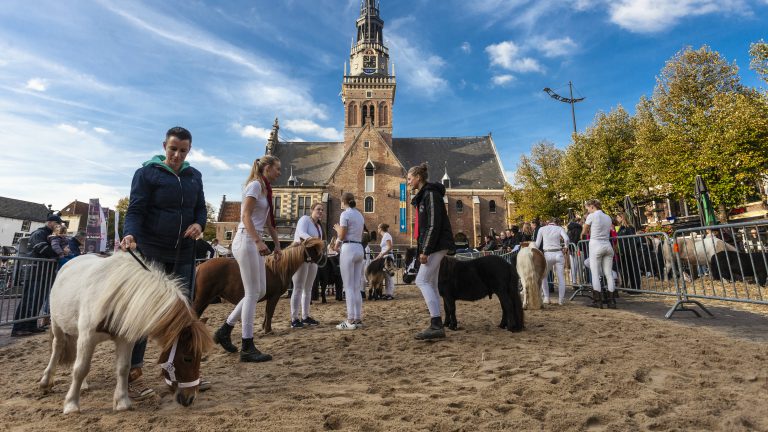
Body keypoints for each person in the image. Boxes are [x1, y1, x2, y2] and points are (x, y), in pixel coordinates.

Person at [121, 126, 207, 399]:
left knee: (182, 318)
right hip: (152, 253)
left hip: (183, 254)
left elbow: (201, 209)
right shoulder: (146, 173)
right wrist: (129, 233)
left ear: (189, 150)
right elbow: (135, 208)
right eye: (173, 149)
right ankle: (132, 374)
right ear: (164, 146)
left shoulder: (194, 176)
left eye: (183, 150)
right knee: (145, 316)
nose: (177, 155)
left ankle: (177, 372)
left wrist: (198, 224)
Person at [212, 156, 282, 361]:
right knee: (252, 293)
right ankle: (247, 346)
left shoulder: (266, 190)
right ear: (267, 168)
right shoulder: (254, 186)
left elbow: (269, 223)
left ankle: (225, 329)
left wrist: (277, 245)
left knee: (259, 291)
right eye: (277, 169)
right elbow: (245, 217)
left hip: (253, 239)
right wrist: (258, 241)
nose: (279, 172)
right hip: (246, 239)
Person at [408, 163, 455, 340]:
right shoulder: (424, 196)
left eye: (410, 178)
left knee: (421, 280)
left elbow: (433, 224)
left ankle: (436, 324)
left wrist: (425, 250)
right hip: (434, 244)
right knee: (432, 283)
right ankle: (437, 322)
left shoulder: (431, 194)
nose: (408, 181)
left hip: (436, 244)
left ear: (418, 177)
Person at [11, 214, 62, 337]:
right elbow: (41, 248)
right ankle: (19, 327)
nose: (59, 226)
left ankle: (32, 325)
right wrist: (58, 253)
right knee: (30, 299)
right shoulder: (38, 234)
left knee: (37, 300)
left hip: (45, 272)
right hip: (36, 270)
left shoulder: (51, 235)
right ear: (50, 223)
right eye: (57, 223)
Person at [332, 192, 365, 330]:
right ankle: (357, 318)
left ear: (343, 202)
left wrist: (337, 238)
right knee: (356, 286)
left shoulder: (345, 214)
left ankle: (350, 319)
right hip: (359, 247)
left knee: (349, 286)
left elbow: (343, 234)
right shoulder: (359, 214)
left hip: (349, 248)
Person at [290, 202, 324, 328]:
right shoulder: (304, 219)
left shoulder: (319, 227)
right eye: (318, 209)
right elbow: (301, 233)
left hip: (313, 258)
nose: (320, 211)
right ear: (312, 210)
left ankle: (305, 316)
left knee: (308, 288)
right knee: (298, 287)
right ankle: (294, 318)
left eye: (322, 210)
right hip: (301, 255)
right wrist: (317, 241)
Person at [582, 199, 616, 307]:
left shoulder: (592, 216)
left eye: (588, 208)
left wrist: (585, 233)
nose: (588, 210)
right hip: (607, 245)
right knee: (609, 274)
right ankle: (611, 301)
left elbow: (584, 231)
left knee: (595, 274)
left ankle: (598, 301)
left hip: (596, 245)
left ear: (592, 206)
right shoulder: (607, 217)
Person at [535, 217, 570, 305]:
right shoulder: (559, 228)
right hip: (558, 253)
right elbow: (566, 239)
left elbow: (537, 244)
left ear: (548, 222)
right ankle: (561, 300)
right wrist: (566, 246)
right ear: (556, 223)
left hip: (547, 254)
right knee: (561, 277)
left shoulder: (542, 229)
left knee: (544, 277)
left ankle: (546, 297)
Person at [616, 213, 641, 293]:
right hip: (624, 252)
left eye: (618, 217)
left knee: (633, 269)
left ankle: (636, 287)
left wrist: (630, 250)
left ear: (622, 217)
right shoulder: (621, 228)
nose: (616, 218)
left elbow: (631, 240)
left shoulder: (629, 227)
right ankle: (630, 287)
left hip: (630, 251)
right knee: (627, 269)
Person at [374, 223, 395, 300]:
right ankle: (387, 293)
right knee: (386, 276)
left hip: (388, 257)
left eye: (378, 228)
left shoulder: (387, 235)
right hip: (384, 257)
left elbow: (390, 247)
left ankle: (390, 294)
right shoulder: (384, 236)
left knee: (388, 276)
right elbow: (383, 249)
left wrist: (382, 254)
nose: (378, 230)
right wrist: (376, 258)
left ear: (381, 229)